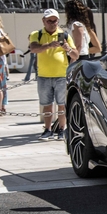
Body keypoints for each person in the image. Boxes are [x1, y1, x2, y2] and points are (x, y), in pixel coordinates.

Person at [29, 9, 79, 140]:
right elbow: (33, 48)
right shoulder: (37, 34)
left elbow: (76, 55)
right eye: (49, 21)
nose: (52, 23)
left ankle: (62, 129)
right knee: (46, 103)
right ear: (43, 21)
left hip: (61, 75)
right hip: (44, 75)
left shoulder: (65, 35)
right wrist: (49, 46)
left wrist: (68, 49)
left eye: (55, 21)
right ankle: (47, 129)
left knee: (61, 104)